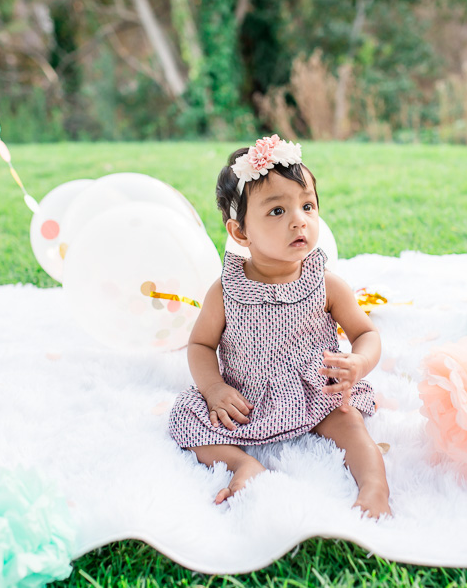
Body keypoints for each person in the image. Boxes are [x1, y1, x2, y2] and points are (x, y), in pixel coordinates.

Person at [168, 135, 391, 519]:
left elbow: (366, 333)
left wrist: (358, 363)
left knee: (351, 424)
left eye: (307, 205)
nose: (298, 220)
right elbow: (201, 346)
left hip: (315, 389)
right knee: (187, 419)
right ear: (240, 232)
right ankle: (243, 465)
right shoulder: (225, 292)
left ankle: (375, 487)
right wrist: (215, 388)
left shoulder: (326, 283)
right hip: (247, 395)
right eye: (276, 212)